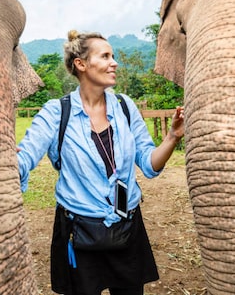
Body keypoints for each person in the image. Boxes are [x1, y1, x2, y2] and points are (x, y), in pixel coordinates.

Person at [17, 30, 184, 295]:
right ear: (80, 64)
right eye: (105, 56)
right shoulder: (56, 112)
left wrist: (173, 136)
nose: (114, 62)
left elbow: (150, 164)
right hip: (79, 234)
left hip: (127, 226)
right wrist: (2, 165)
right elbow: (24, 157)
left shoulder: (125, 106)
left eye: (113, 55)